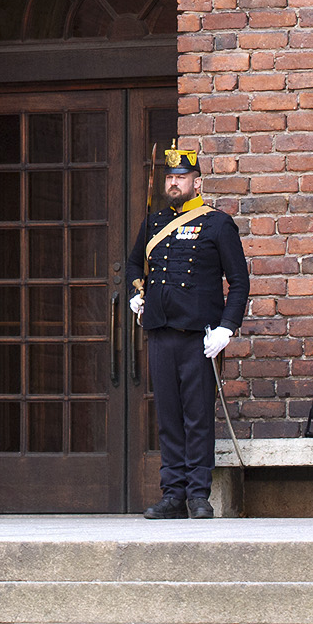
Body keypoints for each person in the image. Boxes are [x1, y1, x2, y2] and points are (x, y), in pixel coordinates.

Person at [124, 143, 248, 521]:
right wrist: (136, 293)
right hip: (161, 332)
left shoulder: (216, 223)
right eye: (170, 177)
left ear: (197, 181)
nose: (174, 183)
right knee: (169, 417)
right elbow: (133, 266)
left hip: (199, 336)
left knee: (197, 417)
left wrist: (227, 327)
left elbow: (239, 282)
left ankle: (198, 493)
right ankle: (173, 492)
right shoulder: (154, 222)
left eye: (181, 177)